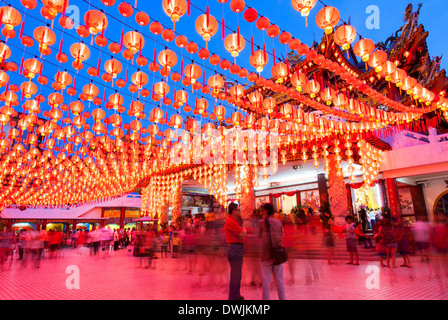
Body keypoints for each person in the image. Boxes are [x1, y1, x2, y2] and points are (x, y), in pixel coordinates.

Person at [258, 203, 286, 300]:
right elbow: (281, 236)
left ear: (265, 211)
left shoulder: (261, 222)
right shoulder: (278, 223)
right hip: (277, 254)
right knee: (279, 280)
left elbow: (259, 236)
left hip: (265, 255)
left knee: (266, 282)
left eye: (263, 210)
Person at [224, 202, 247, 301]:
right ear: (233, 211)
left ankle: (236, 295)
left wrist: (243, 231)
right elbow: (241, 234)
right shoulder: (230, 221)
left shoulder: (233, 221)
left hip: (236, 249)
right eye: (238, 209)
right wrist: (244, 231)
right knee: (235, 275)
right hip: (235, 249)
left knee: (237, 275)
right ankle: (233, 297)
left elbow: (241, 233)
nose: (240, 211)